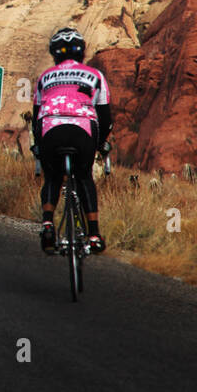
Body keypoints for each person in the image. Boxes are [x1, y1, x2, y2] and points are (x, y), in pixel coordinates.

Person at [31, 27, 112, 254]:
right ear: (81, 52)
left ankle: (47, 223)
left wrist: (38, 146)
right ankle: (94, 233)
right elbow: (105, 116)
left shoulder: (45, 76)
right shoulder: (95, 75)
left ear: (55, 53)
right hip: (82, 130)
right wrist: (101, 144)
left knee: (53, 177)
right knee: (84, 176)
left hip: (51, 129)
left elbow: (36, 114)